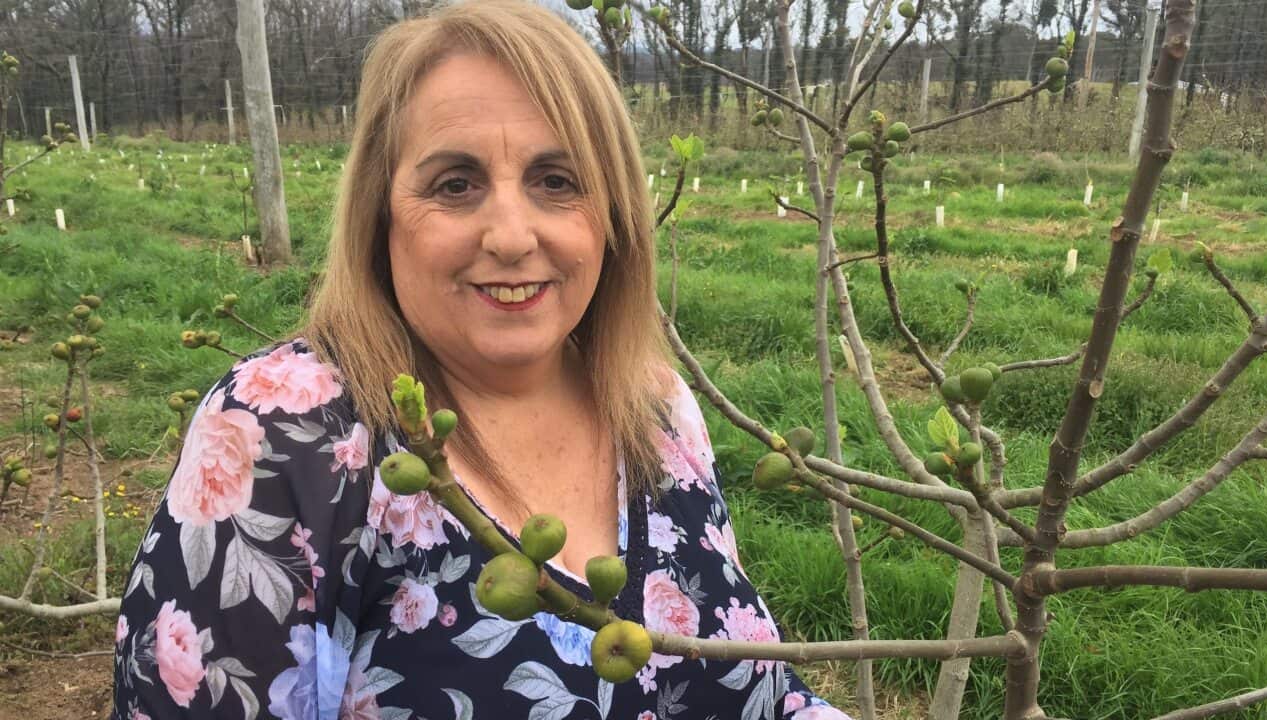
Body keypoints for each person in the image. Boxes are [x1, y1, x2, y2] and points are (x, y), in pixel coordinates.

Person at [111, 1, 853, 718]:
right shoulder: (280, 437)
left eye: (556, 181)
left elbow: (764, 695)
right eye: (455, 184)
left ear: (614, 214)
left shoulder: (655, 406)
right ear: (380, 213)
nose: (510, 234)